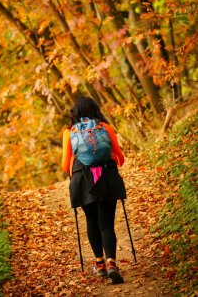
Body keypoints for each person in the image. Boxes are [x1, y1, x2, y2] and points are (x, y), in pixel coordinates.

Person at [62, 96, 126, 283]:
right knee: (106, 223)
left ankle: (99, 264)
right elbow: (120, 159)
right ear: (95, 109)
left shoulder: (69, 132)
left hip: (83, 179)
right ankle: (112, 263)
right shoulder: (106, 128)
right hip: (106, 176)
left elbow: (65, 165)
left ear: (75, 112)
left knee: (91, 220)